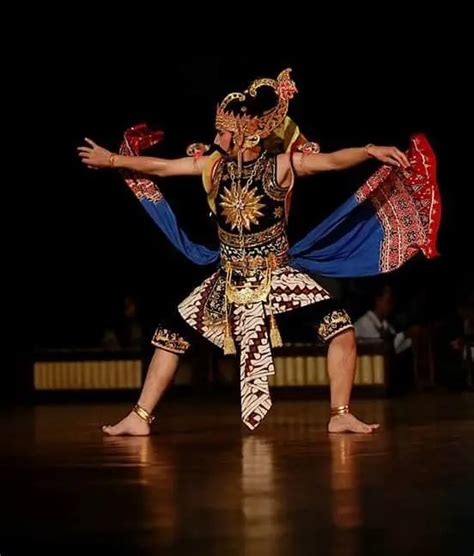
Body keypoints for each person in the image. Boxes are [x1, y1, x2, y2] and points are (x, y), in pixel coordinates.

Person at [78, 69, 440, 435]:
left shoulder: (279, 166)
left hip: (278, 275)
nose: (215, 137)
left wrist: (367, 151)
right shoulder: (212, 168)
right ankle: (139, 417)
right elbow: (161, 167)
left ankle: (339, 413)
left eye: (222, 131)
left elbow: (329, 161)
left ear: (243, 134)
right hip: (229, 276)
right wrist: (112, 160)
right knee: (169, 335)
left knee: (341, 329)